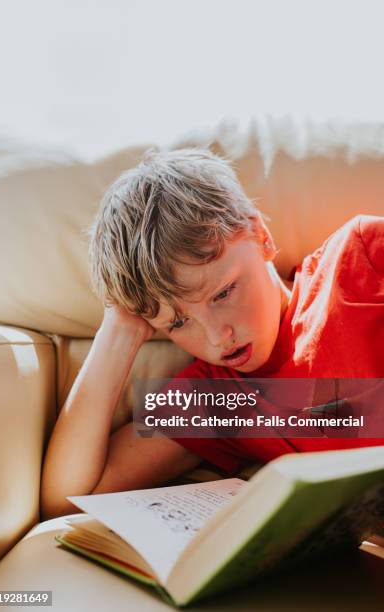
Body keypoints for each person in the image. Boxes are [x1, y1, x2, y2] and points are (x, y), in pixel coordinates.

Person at [40, 148, 384, 520]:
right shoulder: (215, 398)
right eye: (178, 323)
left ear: (260, 235)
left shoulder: (360, 254)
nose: (219, 336)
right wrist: (119, 330)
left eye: (223, 293)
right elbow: (69, 499)